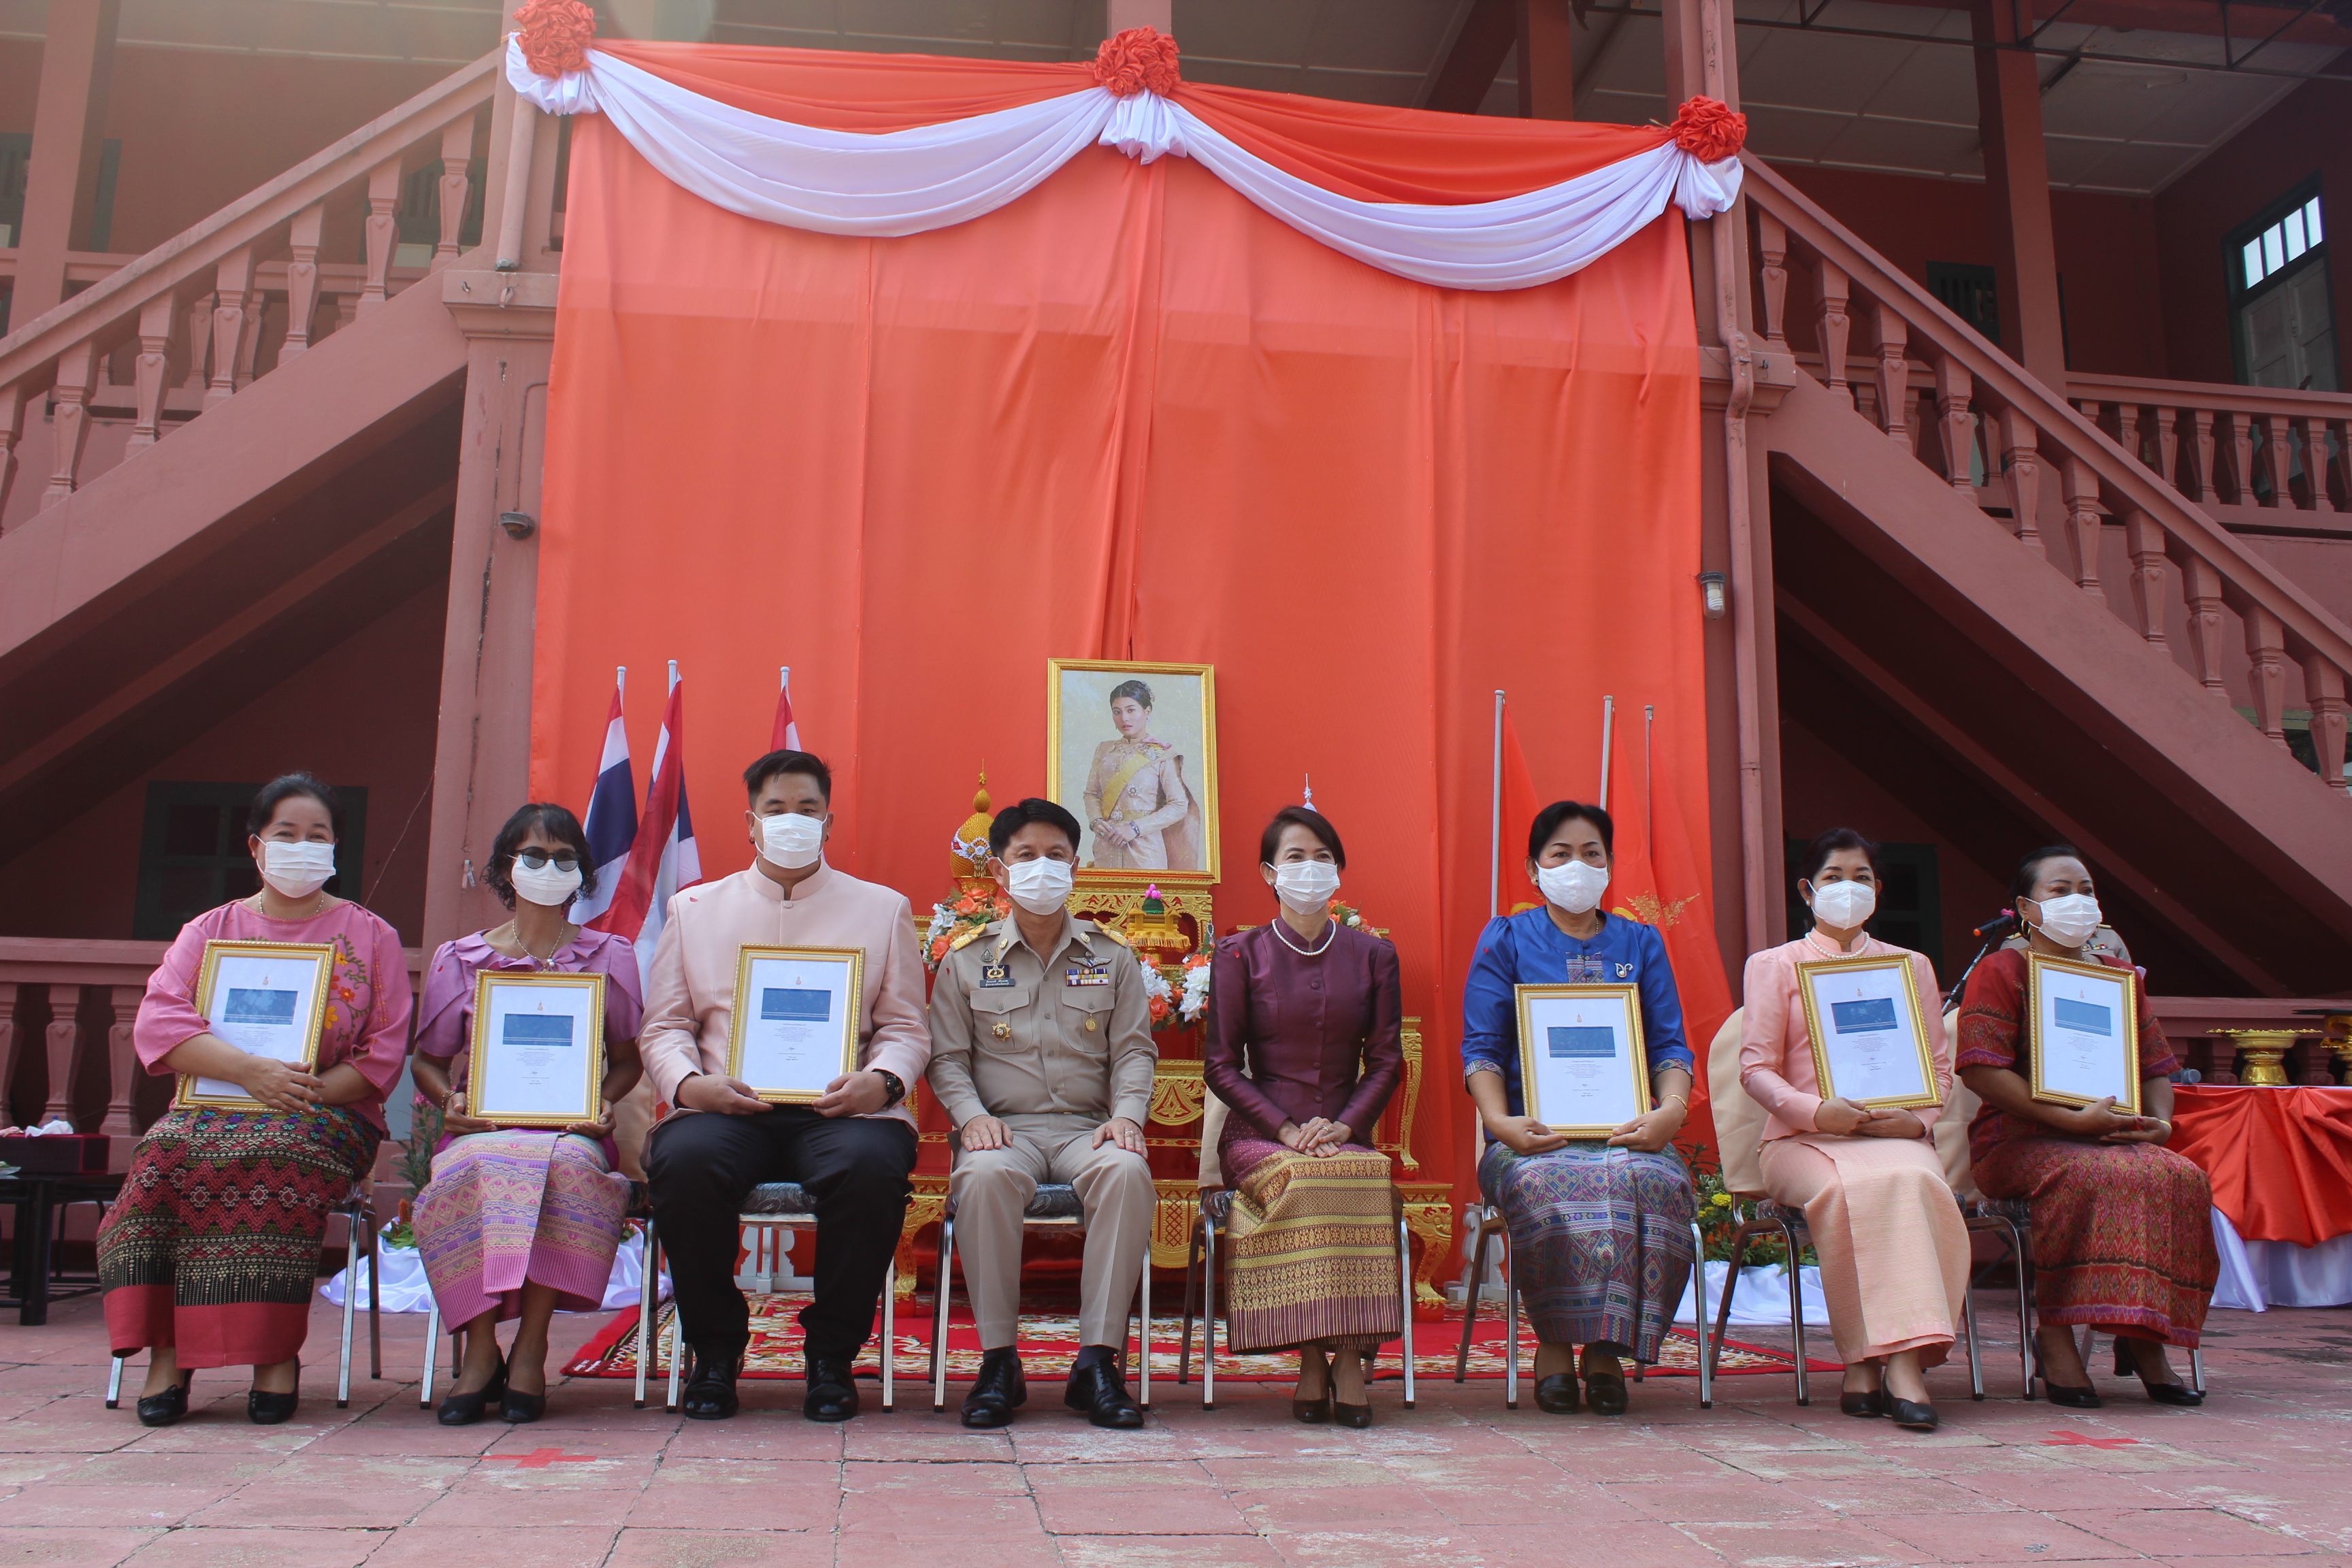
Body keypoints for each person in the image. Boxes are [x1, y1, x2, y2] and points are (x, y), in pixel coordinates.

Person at [99, 774, 412, 1426]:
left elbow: (382, 1052)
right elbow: (161, 1025)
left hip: (327, 1113)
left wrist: (299, 1095)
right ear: (255, 845)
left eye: (317, 836)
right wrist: (251, 1074)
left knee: (273, 1153)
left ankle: (274, 1355)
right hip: (213, 1106)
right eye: (286, 834)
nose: (302, 847)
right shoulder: (210, 929)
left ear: (335, 850)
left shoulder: (370, 934)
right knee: (163, 1156)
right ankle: (168, 1353)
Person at [638, 749, 930, 1422]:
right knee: (683, 1164)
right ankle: (714, 1351)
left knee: (872, 1167)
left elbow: (907, 1027)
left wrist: (881, 1082)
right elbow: (665, 1026)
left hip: (840, 1110)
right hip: (724, 1105)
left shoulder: (881, 910)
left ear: (829, 823)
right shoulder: (694, 909)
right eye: (776, 810)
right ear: (750, 823)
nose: (791, 821)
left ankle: (831, 1354)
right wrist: (688, 1087)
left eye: (806, 810)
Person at [409, 802, 645, 1426]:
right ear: (505, 868)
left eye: (565, 857)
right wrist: (450, 1101)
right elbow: (428, 1061)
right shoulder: (458, 959)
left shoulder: (611, 956)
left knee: (565, 1167)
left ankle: (532, 1346)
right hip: (480, 1129)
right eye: (534, 856)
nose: (549, 867)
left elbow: (627, 1060)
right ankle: (481, 1350)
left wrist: (604, 1101)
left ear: (583, 872)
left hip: (574, 1129)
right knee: (472, 1170)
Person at [927, 797, 1158, 1429]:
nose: (1042, 868)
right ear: (1001, 873)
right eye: (1026, 856)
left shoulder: (1112, 955)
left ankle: (1097, 1361)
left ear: (1076, 867)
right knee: (982, 1176)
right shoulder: (967, 959)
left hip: (1090, 1129)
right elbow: (946, 1058)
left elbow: (1135, 1051)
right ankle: (1000, 1360)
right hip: (1007, 1129)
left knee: (1128, 1173)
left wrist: (1128, 1117)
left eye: (1055, 856)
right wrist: (971, 1116)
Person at [1957, 845, 2215, 1407]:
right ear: (2026, 908)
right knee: (2093, 1176)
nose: (2078, 901)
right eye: (2060, 890)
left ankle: (2142, 1337)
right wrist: (2066, 1118)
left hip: (2110, 1135)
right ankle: (2056, 1337)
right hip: (2020, 1139)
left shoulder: (2121, 978)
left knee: (2182, 1177)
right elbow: (1980, 1069)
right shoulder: (2002, 970)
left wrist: (2161, 1125)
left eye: (2086, 889)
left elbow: (2155, 1068)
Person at [1461, 800, 1696, 1417]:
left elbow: (1671, 1044)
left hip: (1628, 1133)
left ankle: (1607, 1347)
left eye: (1591, 853)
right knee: (1548, 1184)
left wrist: (1672, 1110)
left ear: (1611, 865)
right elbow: (1482, 1049)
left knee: (1658, 1181)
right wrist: (1497, 1123)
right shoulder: (1507, 940)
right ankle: (1556, 1345)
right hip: (1530, 1136)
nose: (1577, 865)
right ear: (1534, 869)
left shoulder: (1640, 944)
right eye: (1560, 854)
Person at [1739, 828, 1969, 1431]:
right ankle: (1890, 1364)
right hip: (1800, 1140)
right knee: (1851, 1190)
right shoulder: (1773, 965)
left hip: (1893, 1134)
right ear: (1807, 890)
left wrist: (1914, 1118)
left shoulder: (1909, 967)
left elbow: (1938, 1070)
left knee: (1920, 1182)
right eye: (1835, 876)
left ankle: (1887, 1363)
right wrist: (1818, 1114)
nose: (1849, 888)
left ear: (1878, 890)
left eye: (1861, 877)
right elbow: (1755, 1069)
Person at [1203, 806, 1403, 1427]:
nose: (1309, 869)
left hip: (1345, 1130)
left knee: (1359, 1173)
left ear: (1339, 871)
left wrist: (1344, 1126)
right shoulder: (1239, 955)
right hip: (1262, 1135)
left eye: (1322, 857)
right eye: (1295, 857)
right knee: (1309, 1176)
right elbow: (1220, 1066)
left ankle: (1340, 1359)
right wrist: (1287, 1131)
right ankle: (1317, 1356)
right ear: (1269, 872)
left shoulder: (1374, 956)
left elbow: (1388, 1061)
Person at [1081, 679, 1201, 872]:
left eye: (1131, 710)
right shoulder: (1104, 750)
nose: (1124, 719)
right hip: (1107, 846)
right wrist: (1096, 821)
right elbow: (1092, 794)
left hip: (1145, 849)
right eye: (1117, 711)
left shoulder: (1163, 753)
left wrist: (1135, 828)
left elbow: (1179, 805)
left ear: (1147, 711)